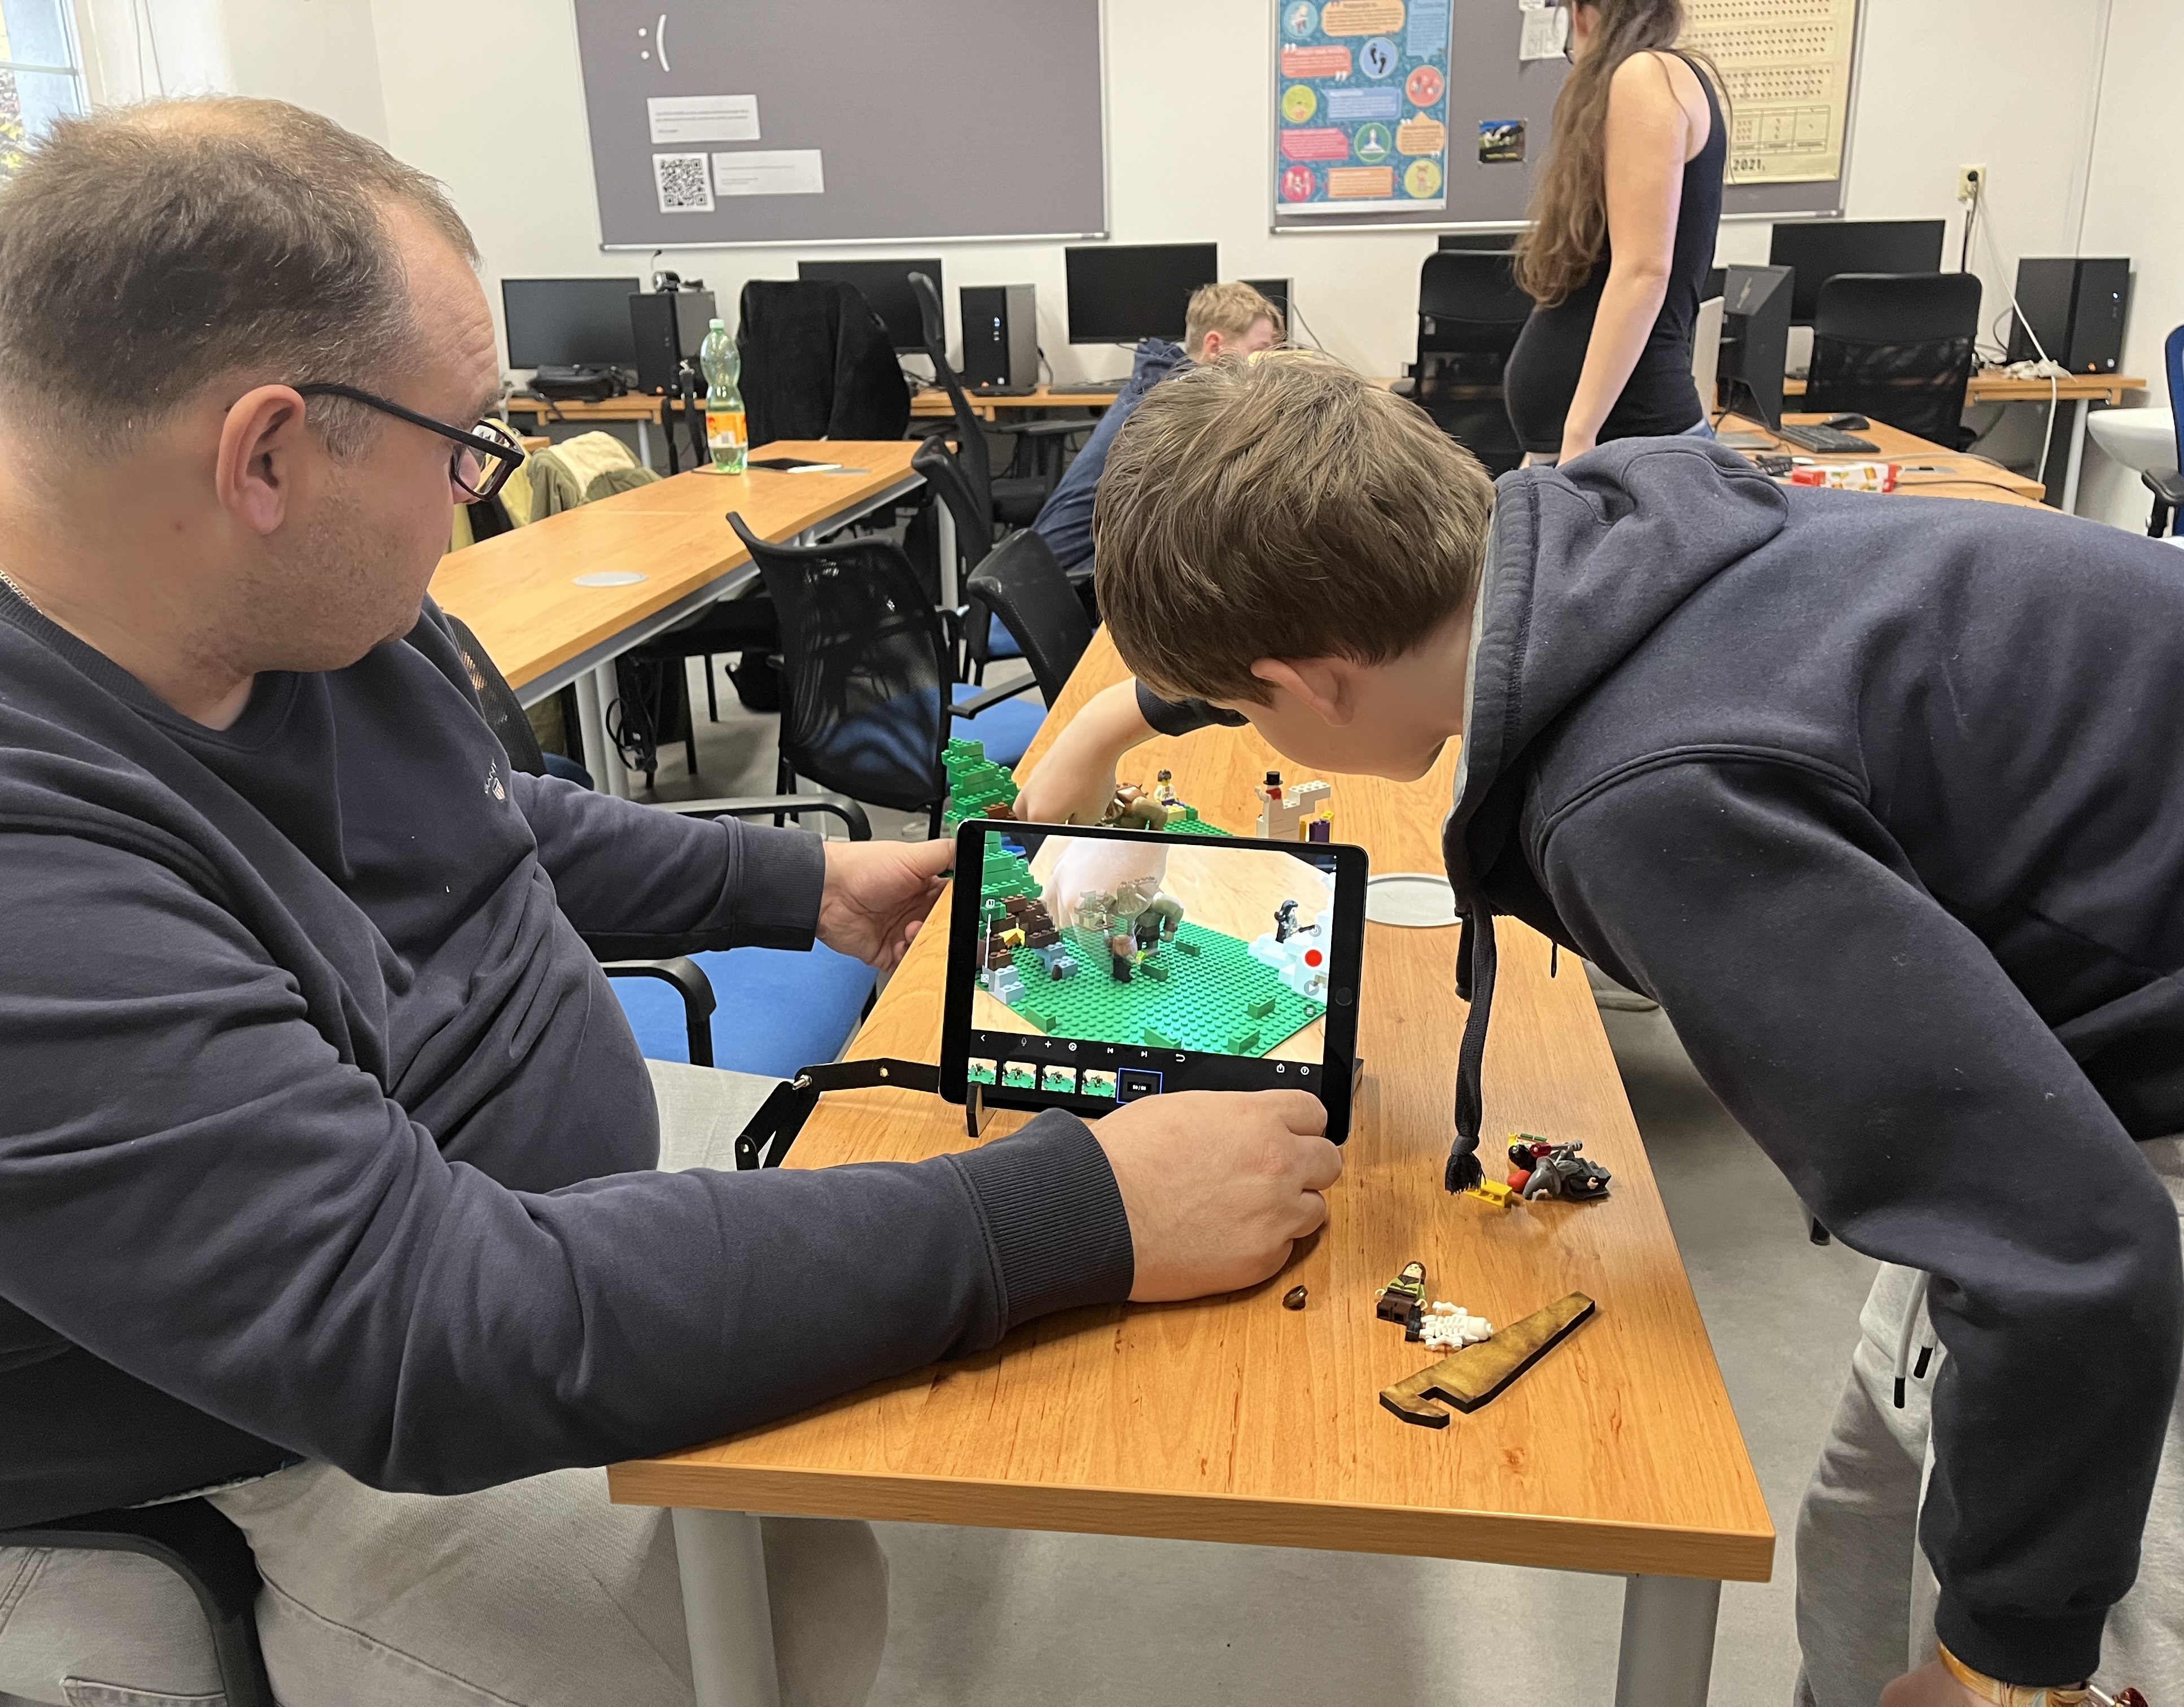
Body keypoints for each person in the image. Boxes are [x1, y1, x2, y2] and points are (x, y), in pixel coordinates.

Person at [0, 101, 1340, 1707]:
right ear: (267, 457)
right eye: (466, 444)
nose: (475, 493)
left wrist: (807, 882)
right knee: (785, 1609)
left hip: (527, 1214)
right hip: (287, 1436)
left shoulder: (297, 613)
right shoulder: (34, 875)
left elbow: (494, 821)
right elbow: (422, 1323)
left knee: (950, 1347)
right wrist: (1076, 1215)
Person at [1019, 352, 2184, 1707]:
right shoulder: (1595, 529)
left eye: (1243, 702)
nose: (1241, 718)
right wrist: (1107, 723)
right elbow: (1319, 610)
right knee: (1871, 1542)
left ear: (1310, 682)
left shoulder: (1646, 794)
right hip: (2109, 1020)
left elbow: (2070, 1249)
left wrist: (2008, 1666)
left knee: (2068, 1633)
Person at [1500, 0, 1725, 463]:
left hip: (1622, 448)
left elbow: (1644, 270)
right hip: (1603, 448)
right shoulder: (1659, 76)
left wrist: (1579, 436)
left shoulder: (1645, 75)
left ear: (1583, 14)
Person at [1030, 280, 1283, 581]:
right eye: (1260, 352)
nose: (1266, 365)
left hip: (1070, 565)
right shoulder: (1172, 407)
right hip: (1073, 578)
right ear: (1215, 347)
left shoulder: (1165, 380)